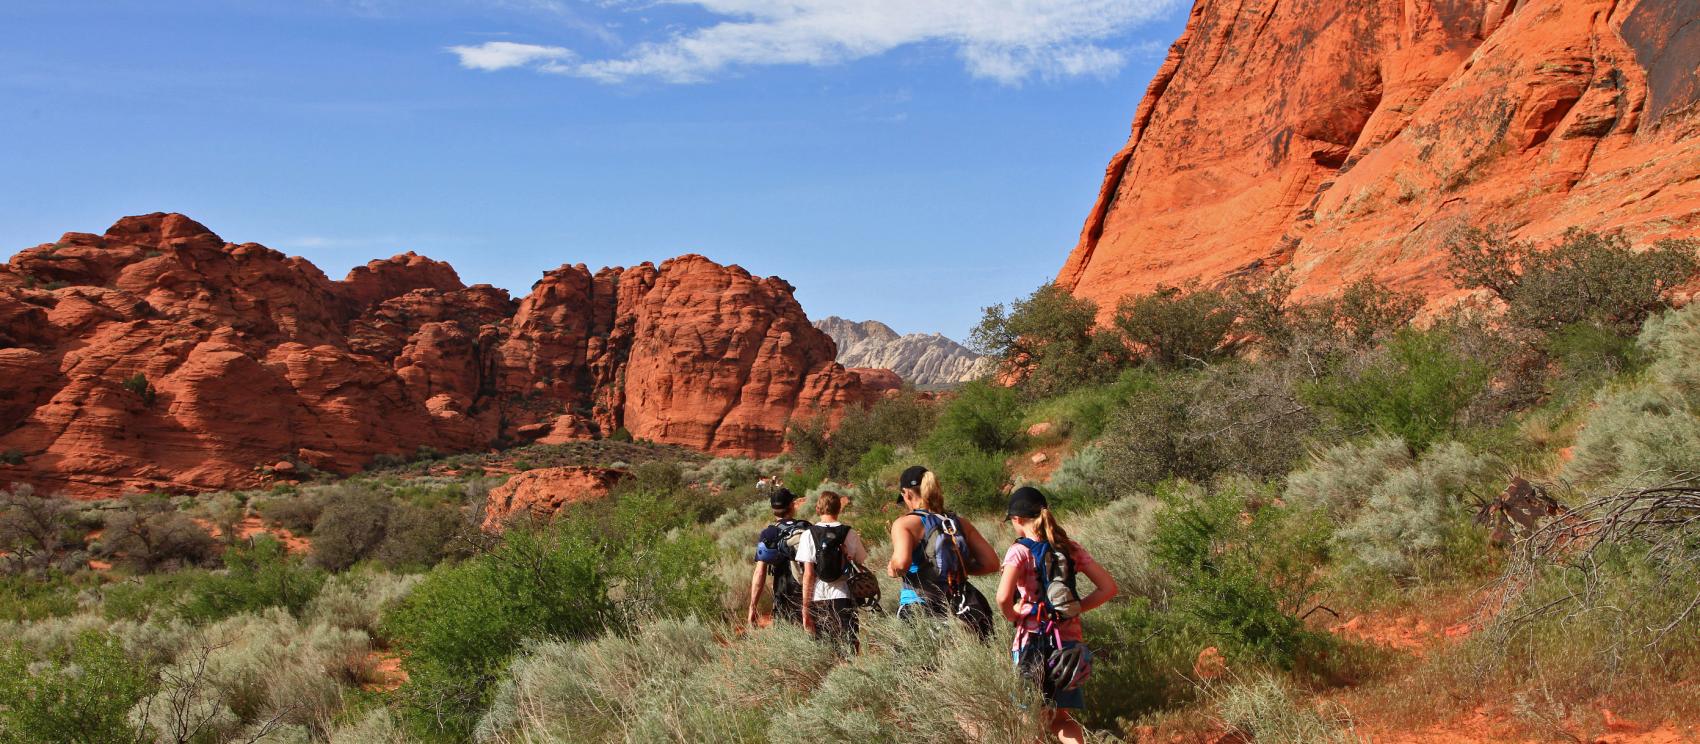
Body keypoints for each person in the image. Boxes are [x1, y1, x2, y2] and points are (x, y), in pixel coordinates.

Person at [995, 486, 1118, 744]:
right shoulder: (1070, 548)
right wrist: (1074, 609)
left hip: (1031, 645)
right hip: (1069, 646)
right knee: (1061, 720)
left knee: (1030, 722)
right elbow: (1109, 588)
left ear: (1017, 520)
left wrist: (1013, 615)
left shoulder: (1019, 551)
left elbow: (1003, 598)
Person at [886, 465, 1000, 637]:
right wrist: (954, 567)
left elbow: (902, 563)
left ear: (907, 494)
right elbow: (991, 563)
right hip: (962, 604)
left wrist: (892, 567)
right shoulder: (960, 523)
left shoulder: (904, 524)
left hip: (921, 607)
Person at [797, 490, 869, 653]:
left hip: (819, 597)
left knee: (825, 650)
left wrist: (805, 608)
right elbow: (860, 562)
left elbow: (808, 574)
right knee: (849, 648)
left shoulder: (809, 534)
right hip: (844, 596)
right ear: (839, 509)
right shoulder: (849, 532)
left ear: (818, 509)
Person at [747, 485, 810, 627]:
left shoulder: (769, 534)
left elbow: (760, 572)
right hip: (810, 593)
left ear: (773, 509)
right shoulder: (806, 527)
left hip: (784, 594)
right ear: (792, 506)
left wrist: (753, 606)